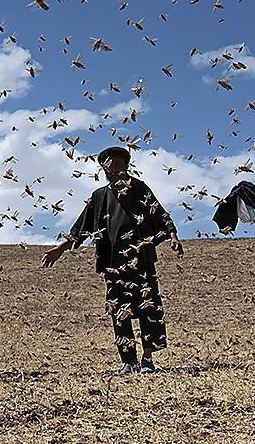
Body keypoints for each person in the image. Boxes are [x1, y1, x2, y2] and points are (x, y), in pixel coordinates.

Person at [42, 146, 183, 374]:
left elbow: (159, 213)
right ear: (103, 168)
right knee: (119, 310)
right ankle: (128, 361)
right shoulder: (99, 197)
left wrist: (173, 236)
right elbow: (82, 227)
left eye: (119, 163)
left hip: (141, 259)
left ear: (127, 165)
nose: (115, 168)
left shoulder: (138, 188)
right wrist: (61, 248)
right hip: (113, 265)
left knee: (149, 308)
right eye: (110, 164)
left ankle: (147, 359)